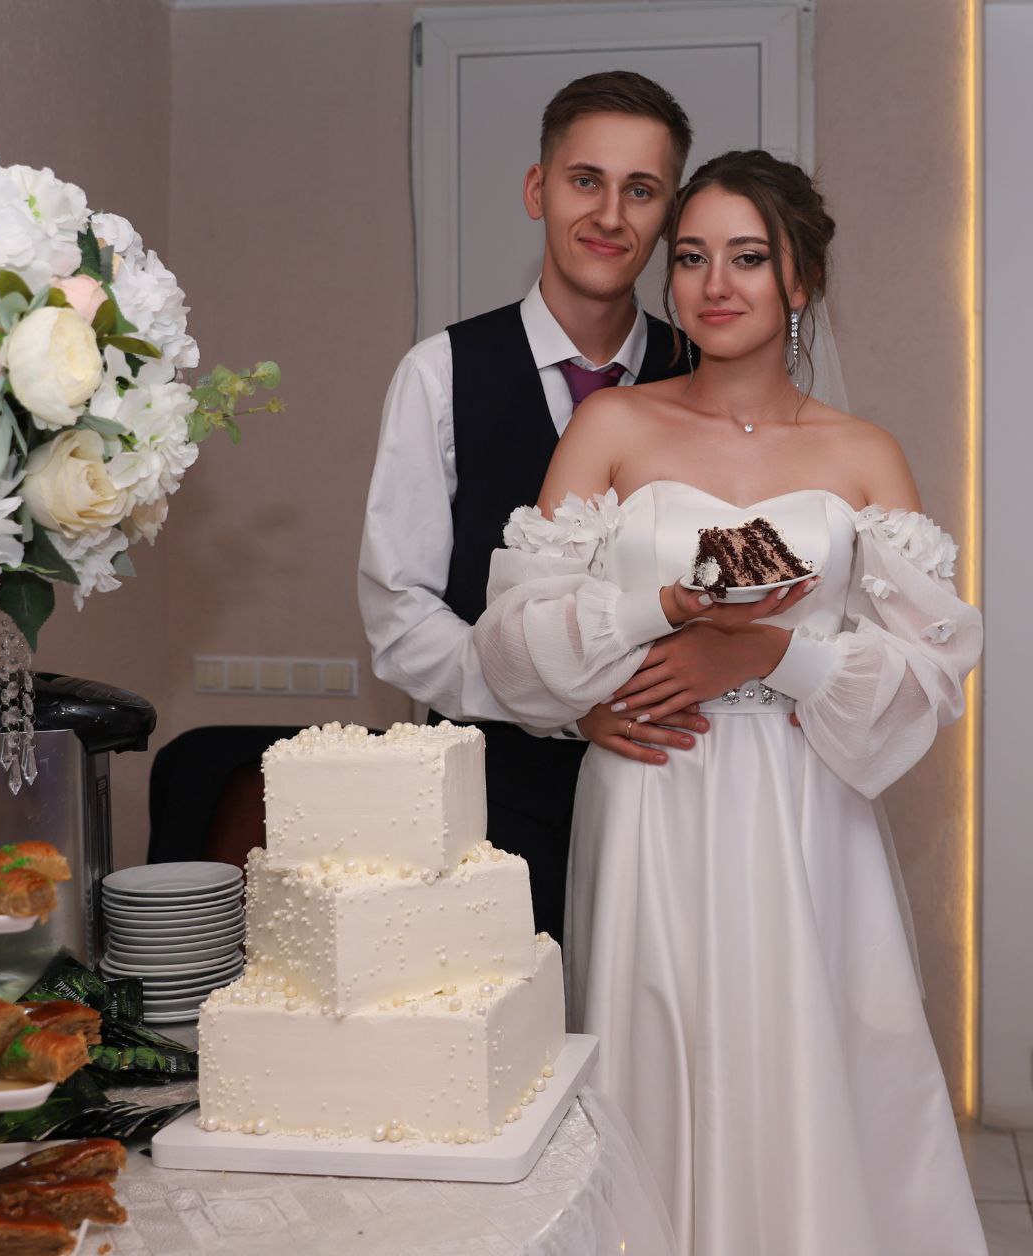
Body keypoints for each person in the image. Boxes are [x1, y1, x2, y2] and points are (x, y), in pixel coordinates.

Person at [473, 150, 985, 1255]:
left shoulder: (862, 453)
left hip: (807, 802)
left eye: (748, 258)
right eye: (693, 256)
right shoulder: (612, 428)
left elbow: (926, 674)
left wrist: (766, 655)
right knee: (653, 1052)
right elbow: (510, 639)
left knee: (804, 1054)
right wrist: (652, 617)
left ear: (800, 278)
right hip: (653, 790)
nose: (715, 284)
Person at [359, 71, 708, 942]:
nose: (610, 215)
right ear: (536, 189)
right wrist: (561, 711)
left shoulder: (705, 376)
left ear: (670, 215)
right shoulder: (439, 374)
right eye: (586, 180)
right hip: (495, 803)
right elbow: (401, 616)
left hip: (682, 795)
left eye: (641, 190)